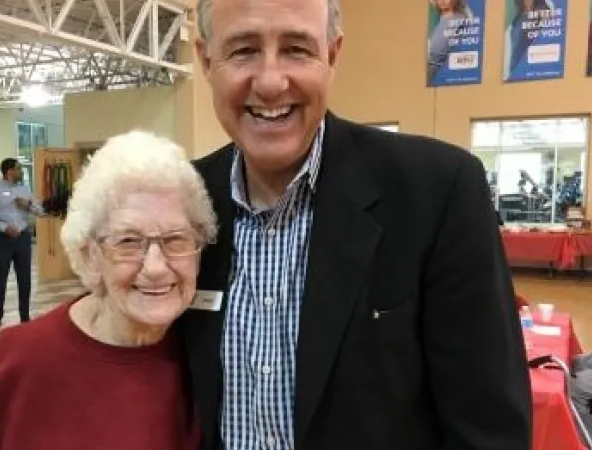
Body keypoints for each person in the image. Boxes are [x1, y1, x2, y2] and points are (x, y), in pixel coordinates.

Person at [180, 0, 532, 449]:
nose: (270, 81)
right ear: (206, 59)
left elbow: (489, 426)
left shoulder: (437, 191)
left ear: (333, 55)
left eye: (296, 49)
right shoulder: (185, 201)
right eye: (244, 49)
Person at [0, 130, 215, 450]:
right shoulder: (28, 358)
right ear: (90, 253)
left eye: (176, 239)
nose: (157, 267)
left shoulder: (209, 349)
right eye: (129, 241)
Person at [0, 158, 43, 330]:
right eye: (19, 168)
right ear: (9, 171)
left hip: (23, 238)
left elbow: (40, 211)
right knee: (0, 279)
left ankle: (25, 316)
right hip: (2, 240)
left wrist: (28, 204)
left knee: (25, 279)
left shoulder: (25, 189)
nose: (21, 171)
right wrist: (4, 227)